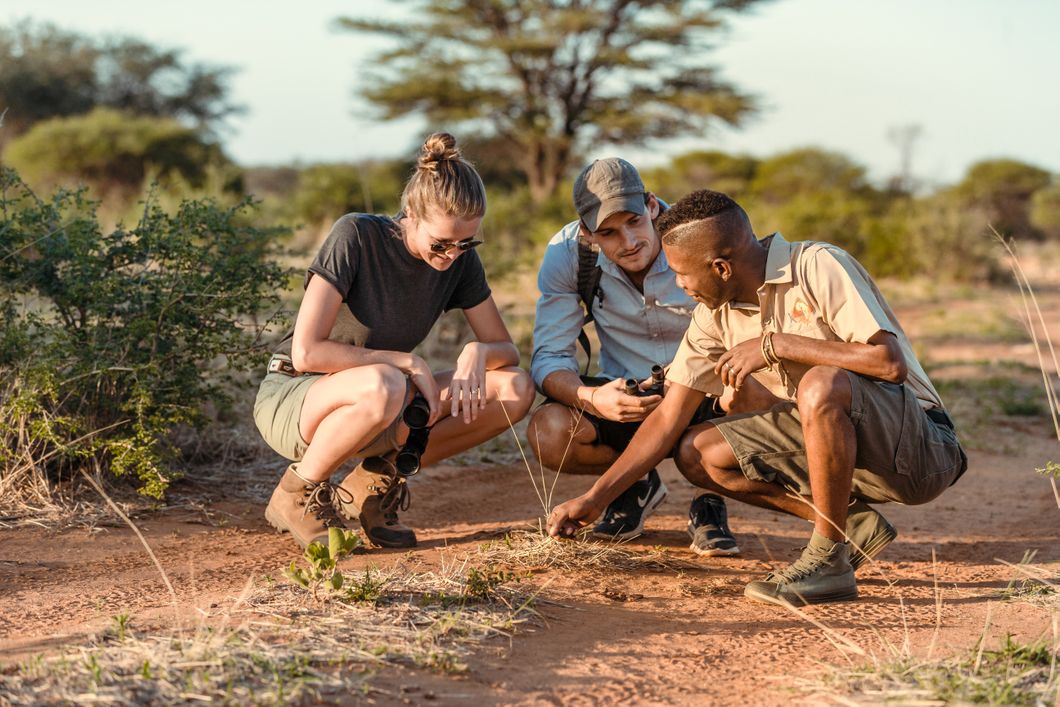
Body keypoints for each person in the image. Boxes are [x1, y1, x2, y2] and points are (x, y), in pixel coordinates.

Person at [547, 189, 966, 606]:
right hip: (838, 447)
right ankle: (846, 525)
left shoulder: (816, 264)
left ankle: (827, 561)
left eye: (682, 273)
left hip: (919, 450)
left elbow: (888, 363)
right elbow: (668, 417)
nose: (678, 283)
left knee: (820, 384)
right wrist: (594, 499)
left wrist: (777, 343)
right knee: (697, 450)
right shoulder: (713, 316)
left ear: (722, 268)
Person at [254, 133, 535, 551]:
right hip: (296, 394)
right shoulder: (357, 235)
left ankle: (372, 483)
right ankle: (296, 493)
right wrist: (406, 362)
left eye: (466, 244)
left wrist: (476, 352)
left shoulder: (459, 263)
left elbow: (507, 351)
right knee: (385, 382)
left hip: (380, 398)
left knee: (516, 387)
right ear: (410, 214)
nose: (452, 256)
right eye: (441, 244)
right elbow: (307, 351)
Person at [527, 158, 742, 553]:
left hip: (710, 395)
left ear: (653, 206)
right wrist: (595, 398)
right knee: (549, 432)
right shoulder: (567, 255)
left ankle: (710, 498)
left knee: (750, 397)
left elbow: (751, 329)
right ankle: (637, 484)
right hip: (628, 396)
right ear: (587, 234)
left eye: (634, 222)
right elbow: (548, 358)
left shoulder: (699, 237)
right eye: (608, 232)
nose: (628, 242)